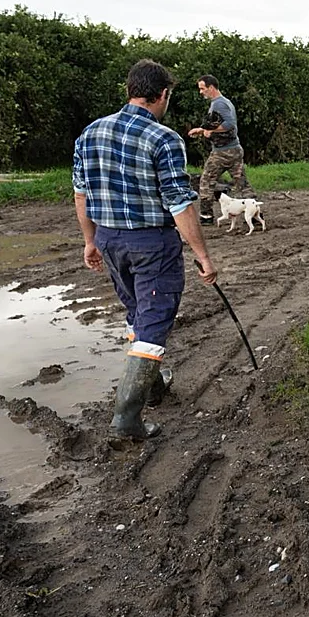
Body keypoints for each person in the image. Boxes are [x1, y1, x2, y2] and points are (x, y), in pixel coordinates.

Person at [73, 59, 218, 440]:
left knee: (137, 312)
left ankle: (151, 385)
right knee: (153, 322)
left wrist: (90, 241)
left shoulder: (89, 133)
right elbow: (179, 202)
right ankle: (126, 419)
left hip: (108, 239)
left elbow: (81, 193)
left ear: (130, 90)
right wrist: (202, 255)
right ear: (163, 94)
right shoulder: (164, 139)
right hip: (151, 243)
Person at [190, 75, 250, 222]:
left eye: (202, 89)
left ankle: (206, 216)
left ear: (211, 87)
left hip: (222, 152)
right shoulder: (226, 102)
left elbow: (229, 125)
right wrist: (201, 130)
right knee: (242, 183)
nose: (201, 92)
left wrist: (210, 131)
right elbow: (220, 124)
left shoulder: (218, 104)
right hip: (235, 149)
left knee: (205, 181)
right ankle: (254, 213)